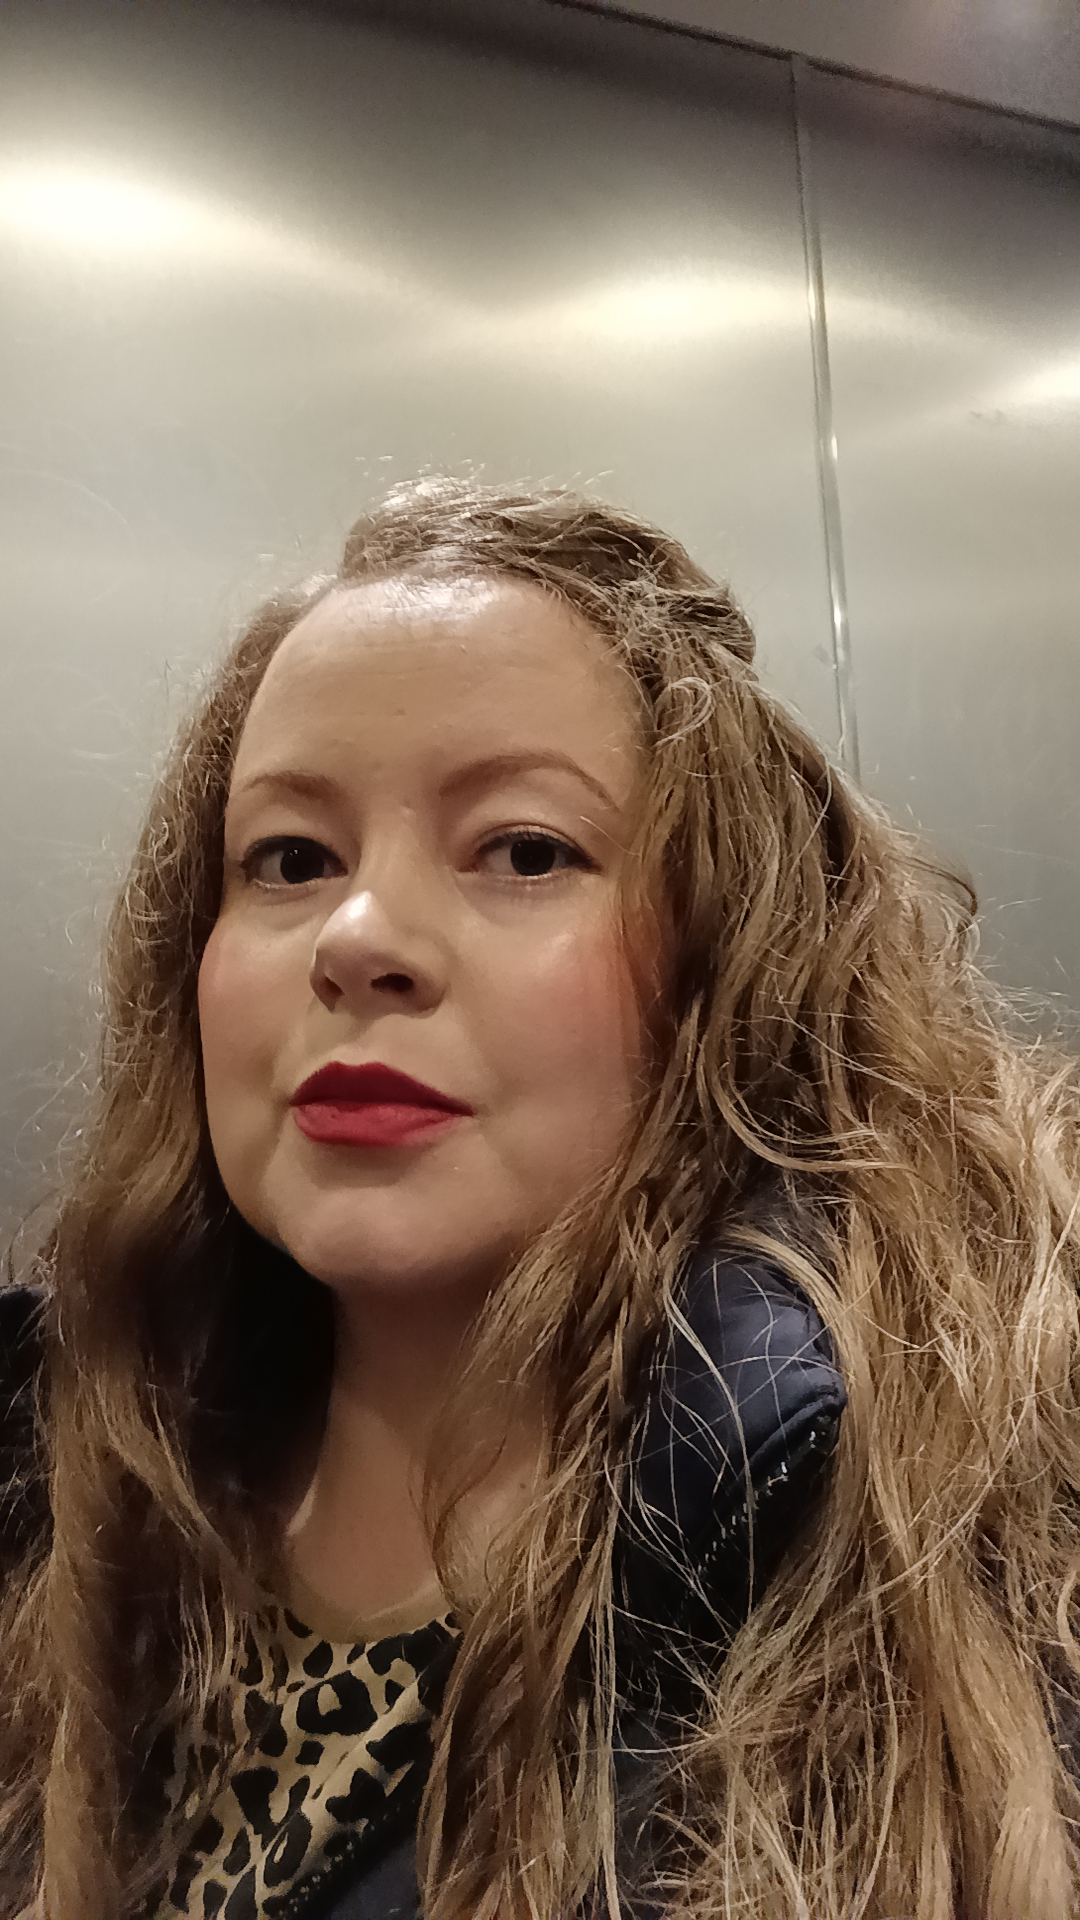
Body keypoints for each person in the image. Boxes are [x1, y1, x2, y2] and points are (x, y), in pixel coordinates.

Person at [1, 478, 1079, 1920]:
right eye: (291, 860)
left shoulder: (950, 1550)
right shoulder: (55, 1485)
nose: (358, 937)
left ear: (723, 966)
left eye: (523, 850)